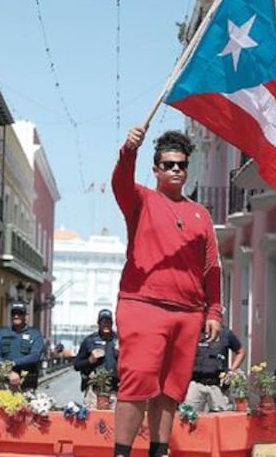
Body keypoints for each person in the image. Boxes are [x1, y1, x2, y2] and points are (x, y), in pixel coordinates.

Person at [111, 127, 222, 457]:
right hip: (143, 305)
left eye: (181, 164)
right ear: (156, 168)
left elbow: (211, 267)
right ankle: (122, 453)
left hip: (188, 313)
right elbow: (119, 182)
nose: (176, 169)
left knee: (171, 389)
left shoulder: (201, 215)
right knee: (137, 382)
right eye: (168, 164)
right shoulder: (141, 200)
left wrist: (213, 311)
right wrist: (128, 150)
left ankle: (159, 451)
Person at [185, 327, 246, 412]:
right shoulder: (194, 331)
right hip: (195, 383)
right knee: (187, 415)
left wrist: (231, 371)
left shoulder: (226, 333)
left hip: (217, 384)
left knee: (222, 416)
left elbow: (241, 352)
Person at [0, 302, 44, 390]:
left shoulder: (35, 334)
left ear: (25, 316)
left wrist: (13, 363)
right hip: (4, 380)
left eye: (20, 313)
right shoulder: (1, 333)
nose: (16, 316)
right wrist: (8, 371)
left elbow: (35, 356)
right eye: (14, 313)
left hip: (26, 381)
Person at [74, 309, 119, 406]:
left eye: (108, 322)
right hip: (94, 390)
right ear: (98, 323)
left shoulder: (119, 340)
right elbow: (76, 365)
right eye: (103, 322)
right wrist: (90, 360)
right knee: (93, 418)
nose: (106, 324)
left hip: (115, 389)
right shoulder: (90, 340)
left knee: (113, 419)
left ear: (112, 323)